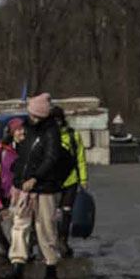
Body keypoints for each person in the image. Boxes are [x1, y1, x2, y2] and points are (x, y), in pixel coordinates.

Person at [1, 94, 69, 279]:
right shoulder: (27, 129)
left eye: (37, 116)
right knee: (19, 226)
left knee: (44, 227)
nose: (33, 119)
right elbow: (22, 154)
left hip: (44, 188)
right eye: (32, 115)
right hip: (23, 187)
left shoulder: (51, 132)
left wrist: (36, 177)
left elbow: (51, 158)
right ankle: (17, 265)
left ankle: (50, 266)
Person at [55, 107, 89, 257]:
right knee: (52, 214)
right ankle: (52, 241)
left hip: (71, 179)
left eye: (58, 120)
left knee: (66, 212)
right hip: (52, 181)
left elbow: (80, 158)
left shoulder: (73, 135)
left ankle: (63, 240)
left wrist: (83, 179)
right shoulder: (47, 136)